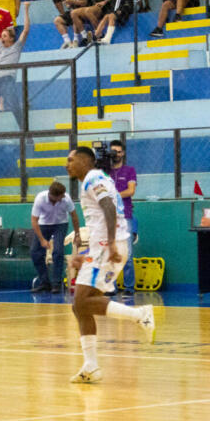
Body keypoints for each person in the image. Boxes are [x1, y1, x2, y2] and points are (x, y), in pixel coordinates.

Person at [65, 147, 155, 383]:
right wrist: (87, 253)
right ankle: (91, 366)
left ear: (85, 161)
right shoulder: (96, 179)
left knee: (81, 302)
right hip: (102, 247)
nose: (67, 164)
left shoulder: (93, 177)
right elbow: (101, 217)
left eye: (71, 160)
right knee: (80, 307)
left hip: (108, 247)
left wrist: (112, 244)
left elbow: (108, 206)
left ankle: (140, 314)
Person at [0, 1, 30, 135]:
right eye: (1, 36)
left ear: (11, 39)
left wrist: (26, 9)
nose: (1, 38)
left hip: (8, 80)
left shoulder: (16, 47)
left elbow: (25, 30)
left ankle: (25, 133)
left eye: (4, 36)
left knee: (14, 107)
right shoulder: (1, 47)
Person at [29, 181, 81, 294]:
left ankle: (56, 283)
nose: (63, 197)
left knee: (58, 252)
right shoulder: (40, 199)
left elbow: (74, 216)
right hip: (44, 224)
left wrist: (77, 235)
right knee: (35, 253)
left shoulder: (66, 199)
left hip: (60, 224)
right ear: (53, 196)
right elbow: (34, 220)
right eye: (61, 196)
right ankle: (44, 282)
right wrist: (42, 240)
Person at [107, 140, 137, 296]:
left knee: (128, 254)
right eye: (113, 151)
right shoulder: (104, 172)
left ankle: (129, 287)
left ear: (123, 153)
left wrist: (114, 195)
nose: (116, 154)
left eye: (119, 152)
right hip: (108, 217)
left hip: (125, 216)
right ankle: (111, 286)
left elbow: (130, 191)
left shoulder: (129, 170)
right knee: (109, 253)